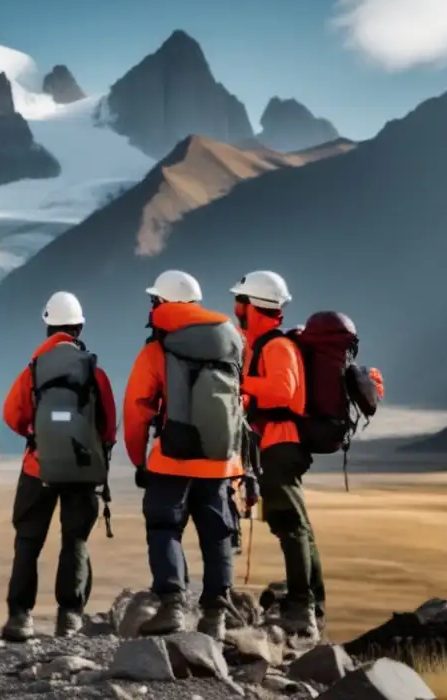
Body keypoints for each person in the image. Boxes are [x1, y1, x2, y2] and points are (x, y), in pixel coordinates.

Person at [123, 271, 245, 640]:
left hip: (171, 457)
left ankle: (173, 606)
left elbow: (137, 408)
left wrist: (138, 459)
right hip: (220, 458)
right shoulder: (233, 340)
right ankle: (215, 617)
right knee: (217, 532)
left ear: (162, 303)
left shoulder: (157, 349)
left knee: (164, 527)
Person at [0, 291, 117, 642]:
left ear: (47, 327)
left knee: (28, 541)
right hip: (82, 471)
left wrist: (40, 437)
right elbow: (109, 426)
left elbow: (11, 415)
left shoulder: (32, 371)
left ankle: (20, 618)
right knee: (75, 540)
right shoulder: (94, 371)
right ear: (79, 327)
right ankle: (69, 618)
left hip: (38, 468)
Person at [231, 270, 321, 637]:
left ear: (252, 306)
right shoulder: (260, 345)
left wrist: (237, 382)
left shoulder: (277, 347)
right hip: (272, 445)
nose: (235, 307)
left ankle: (303, 609)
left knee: (291, 527)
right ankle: (310, 603)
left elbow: (283, 393)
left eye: (240, 301)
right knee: (296, 527)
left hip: (280, 446)